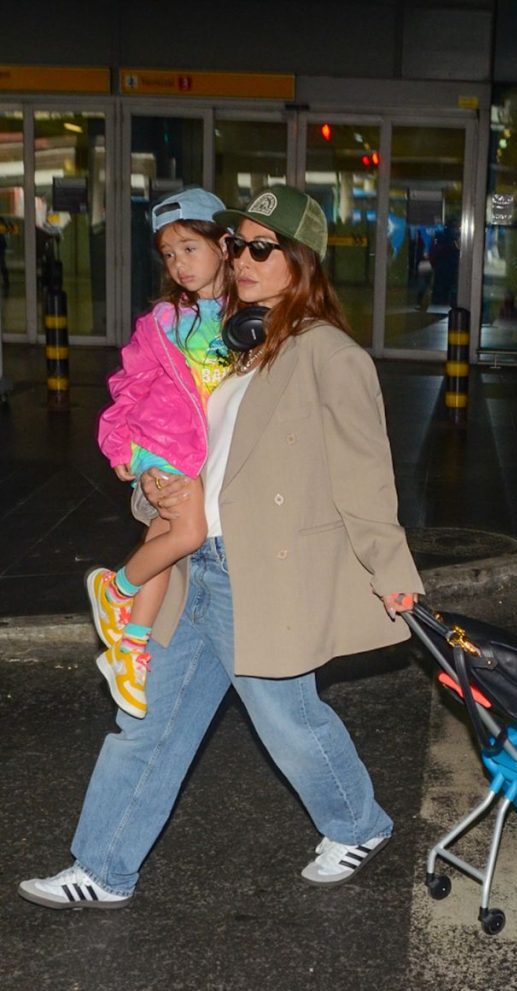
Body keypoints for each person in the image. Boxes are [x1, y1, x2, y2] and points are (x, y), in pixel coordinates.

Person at [18, 184, 424, 910]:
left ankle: (358, 823)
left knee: (287, 719)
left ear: (299, 262)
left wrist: (392, 572)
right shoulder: (232, 343)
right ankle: (103, 868)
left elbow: (366, 477)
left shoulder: (329, 356)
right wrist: (150, 488)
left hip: (257, 574)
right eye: (235, 244)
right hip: (192, 567)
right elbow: (189, 451)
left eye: (260, 248)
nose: (240, 259)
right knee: (144, 720)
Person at [86, 187, 232, 719]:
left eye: (190, 248)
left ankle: (130, 646)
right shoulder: (165, 320)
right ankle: (117, 588)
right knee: (188, 534)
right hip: (165, 441)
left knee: (166, 541)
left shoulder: (246, 313)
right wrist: (118, 442)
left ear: (223, 243)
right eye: (169, 254)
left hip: (200, 452)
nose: (179, 263)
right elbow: (129, 382)